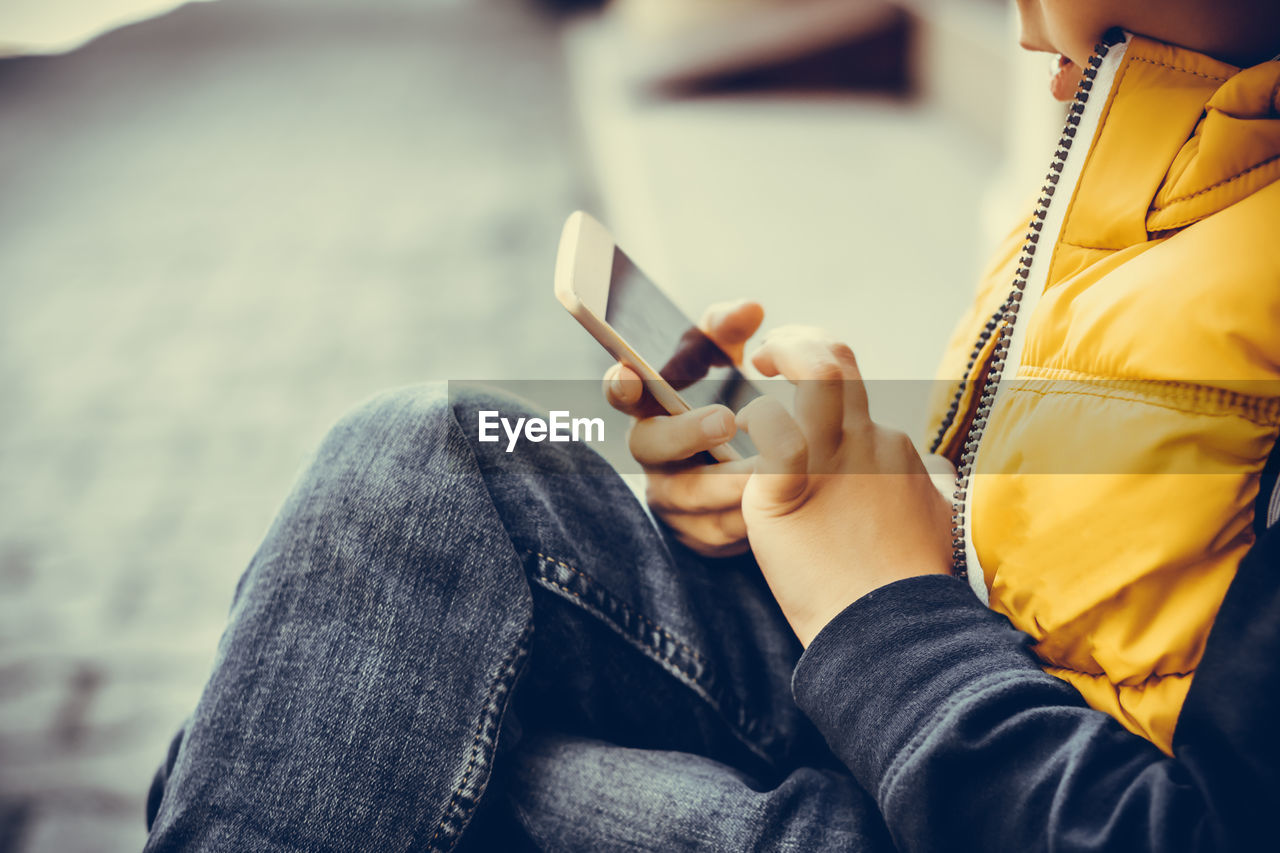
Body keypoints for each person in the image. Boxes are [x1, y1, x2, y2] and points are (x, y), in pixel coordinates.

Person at [144, 1, 1280, 850]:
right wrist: (836, 511)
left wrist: (882, 608)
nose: (1023, 34)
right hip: (953, 732)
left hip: (1005, 787)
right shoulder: (1170, 143)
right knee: (422, 468)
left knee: (360, 727)